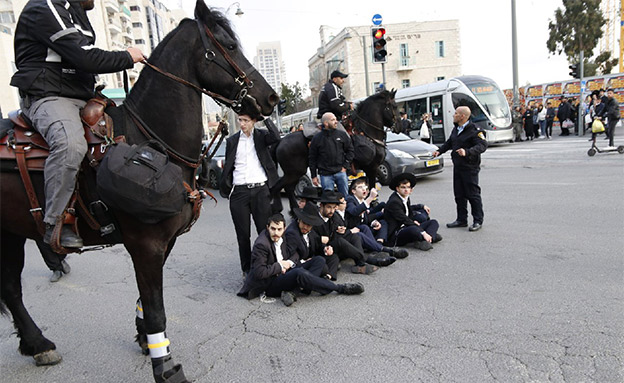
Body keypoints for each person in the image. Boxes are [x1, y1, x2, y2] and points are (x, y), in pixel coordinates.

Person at [10, 0, 144, 247]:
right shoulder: (45, 6)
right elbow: (85, 57)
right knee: (71, 144)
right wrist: (127, 56)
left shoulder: (76, 12)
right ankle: (56, 222)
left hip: (82, 97)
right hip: (48, 96)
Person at [237, 213, 364, 306]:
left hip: (285, 272)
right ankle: (339, 288)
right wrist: (281, 265)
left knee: (319, 260)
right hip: (270, 282)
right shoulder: (261, 244)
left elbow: (295, 254)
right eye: (273, 229)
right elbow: (260, 272)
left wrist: (290, 263)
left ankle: (296, 290)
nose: (276, 232)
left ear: (284, 229)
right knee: (300, 273)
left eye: (279, 229)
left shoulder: (283, 236)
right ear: (267, 227)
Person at [220, 108, 281, 276]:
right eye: (240, 120)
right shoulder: (232, 141)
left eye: (246, 120)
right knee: (243, 235)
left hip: (260, 190)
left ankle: (269, 265)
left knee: (264, 230)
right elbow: (229, 166)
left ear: (253, 121)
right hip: (239, 192)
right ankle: (247, 270)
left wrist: (266, 118)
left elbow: (276, 137)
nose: (242, 124)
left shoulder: (261, 137)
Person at [432, 106, 488, 232]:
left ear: (462, 116)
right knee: (459, 194)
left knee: (473, 195)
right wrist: (439, 151)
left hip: (470, 167)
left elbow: (483, 145)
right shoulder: (456, 129)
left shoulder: (475, 130)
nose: (453, 115)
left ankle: (478, 220)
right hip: (458, 166)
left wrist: (467, 152)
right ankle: (461, 219)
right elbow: (449, 143)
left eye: (456, 113)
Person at [314, 191, 378, 279]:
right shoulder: (314, 219)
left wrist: (341, 230)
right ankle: (365, 259)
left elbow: (337, 231)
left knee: (354, 237)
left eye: (334, 208)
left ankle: (360, 264)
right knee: (340, 242)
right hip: (320, 249)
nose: (331, 211)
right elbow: (312, 239)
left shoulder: (333, 216)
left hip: (332, 245)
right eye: (329, 207)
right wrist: (323, 244)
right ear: (321, 205)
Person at [345, 177, 409, 259]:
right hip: (351, 232)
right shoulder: (350, 199)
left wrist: (373, 222)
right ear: (353, 191)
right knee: (364, 228)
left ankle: (377, 247)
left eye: (365, 187)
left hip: (362, 227)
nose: (363, 189)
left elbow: (365, 219)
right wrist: (370, 198)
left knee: (381, 223)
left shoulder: (362, 200)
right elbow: (354, 212)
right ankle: (383, 250)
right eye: (360, 187)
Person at [333, 193, 396, 267]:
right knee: (358, 235)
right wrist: (350, 231)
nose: (345, 203)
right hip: (340, 243)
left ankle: (375, 250)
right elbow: (335, 234)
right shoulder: (334, 216)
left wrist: (373, 222)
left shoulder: (344, 212)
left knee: (364, 227)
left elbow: (357, 221)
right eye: (343, 202)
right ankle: (381, 250)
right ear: (336, 207)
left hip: (348, 235)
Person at [384, 173, 441, 251]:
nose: (406, 190)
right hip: (397, 232)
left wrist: (421, 206)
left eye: (408, 187)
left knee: (433, 222)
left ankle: (426, 240)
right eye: (403, 187)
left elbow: (408, 210)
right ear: (397, 189)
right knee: (414, 230)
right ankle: (429, 237)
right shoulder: (394, 202)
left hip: (407, 225)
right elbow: (404, 219)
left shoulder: (405, 197)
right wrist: (423, 232)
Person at [309, 112, 354, 198]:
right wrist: (313, 176)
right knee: (328, 199)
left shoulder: (342, 134)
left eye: (336, 119)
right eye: (333, 120)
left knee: (344, 199)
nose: (336, 121)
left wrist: (345, 166)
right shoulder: (317, 138)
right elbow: (312, 158)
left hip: (341, 173)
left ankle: (345, 212)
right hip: (325, 175)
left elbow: (350, 150)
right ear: (326, 123)